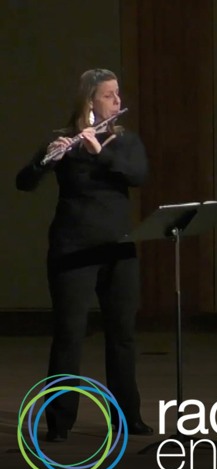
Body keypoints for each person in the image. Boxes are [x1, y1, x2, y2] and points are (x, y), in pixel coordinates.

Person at [16, 68, 153, 442]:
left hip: (118, 249)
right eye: (109, 95)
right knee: (69, 336)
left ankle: (127, 416)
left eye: (118, 93)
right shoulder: (62, 139)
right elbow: (23, 182)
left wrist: (99, 153)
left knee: (122, 336)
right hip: (72, 248)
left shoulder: (124, 141)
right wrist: (46, 160)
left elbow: (138, 176)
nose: (118, 100)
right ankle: (59, 422)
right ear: (89, 101)